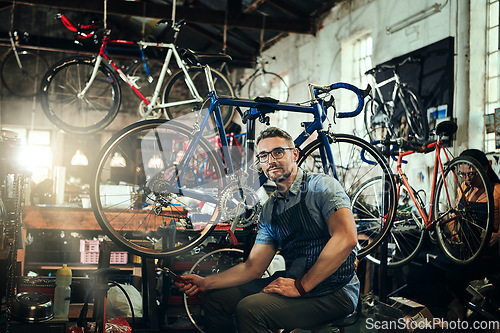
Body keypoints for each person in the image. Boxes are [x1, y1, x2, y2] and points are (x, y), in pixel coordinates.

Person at [175, 127, 359, 333]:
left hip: (334, 289)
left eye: (278, 152)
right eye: (264, 155)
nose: (271, 160)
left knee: (251, 309)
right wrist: (205, 282)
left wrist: (301, 286)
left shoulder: (322, 186)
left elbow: (346, 238)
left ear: (295, 154)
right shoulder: (270, 208)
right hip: (295, 279)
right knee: (217, 299)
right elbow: (253, 267)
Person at [402, 148, 500, 320]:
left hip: (484, 255)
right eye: (463, 175)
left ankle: (467, 312)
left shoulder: (497, 191)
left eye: (471, 174)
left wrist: (499, 236)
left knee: (453, 276)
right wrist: (453, 231)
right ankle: (452, 304)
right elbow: (455, 216)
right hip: (459, 253)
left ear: (485, 168)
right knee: (414, 277)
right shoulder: (464, 188)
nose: (467, 179)